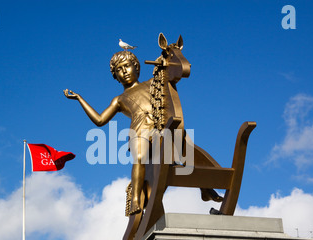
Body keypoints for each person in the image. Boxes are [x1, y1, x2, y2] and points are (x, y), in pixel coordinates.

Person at [64, 51, 222, 216]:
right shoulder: (118, 99)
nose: (124, 71)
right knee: (139, 157)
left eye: (127, 66)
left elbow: (169, 73)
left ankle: (205, 188)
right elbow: (100, 120)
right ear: (115, 76)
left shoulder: (152, 83)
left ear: (136, 67)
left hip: (159, 129)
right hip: (139, 132)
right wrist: (79, 99)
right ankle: (135, 201)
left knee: (184, 144)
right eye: (119, 69)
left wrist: (166, 59)